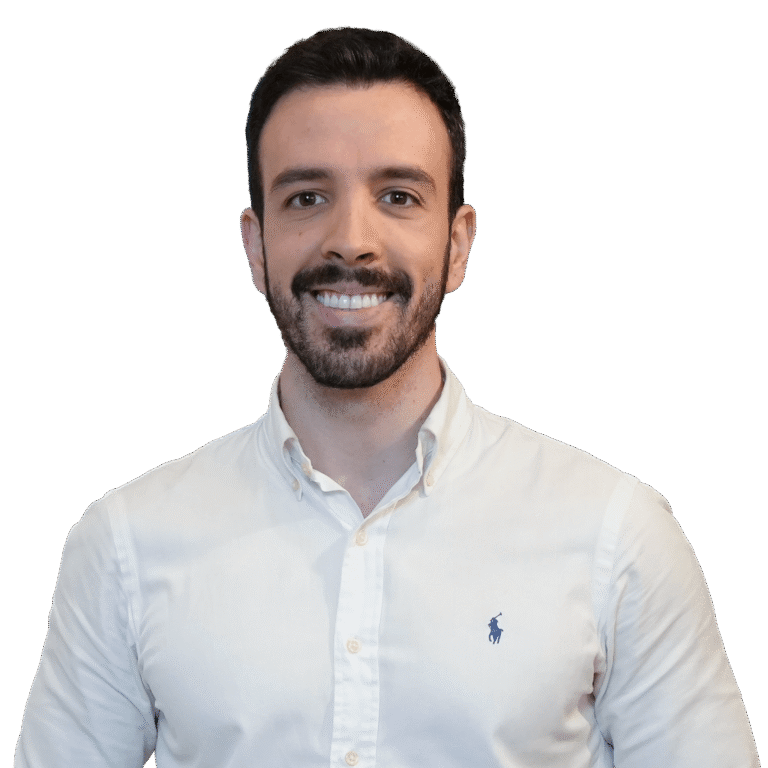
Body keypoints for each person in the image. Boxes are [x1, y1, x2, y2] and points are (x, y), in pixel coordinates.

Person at [15, 26, 759, 768]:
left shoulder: (616, 536)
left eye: (398, 196)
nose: (351, 240)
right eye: (307, 197)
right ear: (255, 245)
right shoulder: (124, 546)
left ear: (458, 245)